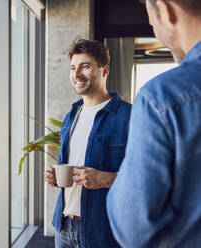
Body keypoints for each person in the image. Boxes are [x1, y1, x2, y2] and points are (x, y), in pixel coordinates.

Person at [107, 0, 201, 247]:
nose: (150, 24)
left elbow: (135, 228)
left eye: (150, 16)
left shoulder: (162, 97)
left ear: (165, 10)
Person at [44, 39, 131, 248]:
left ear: (105, 70)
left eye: (85, 66)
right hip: (64, 227)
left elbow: (147, 177)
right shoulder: (70, 117)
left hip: (103, 232)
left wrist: (106, 179)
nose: (76, 73)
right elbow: (68, 164)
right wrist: (55, 177)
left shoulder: (130, 116)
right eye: (73, 68)